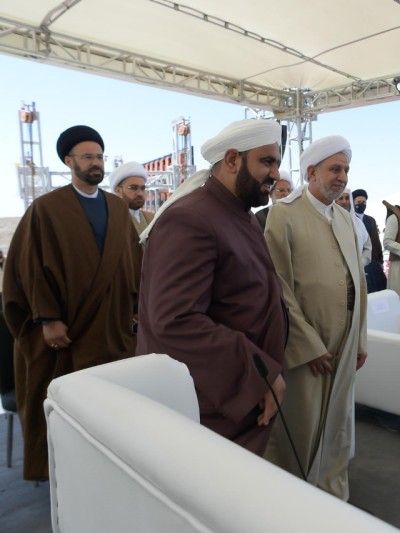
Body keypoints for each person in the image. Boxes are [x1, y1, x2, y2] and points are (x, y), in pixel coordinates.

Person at [136, 119, 287, 455]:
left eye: (276, 163)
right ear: (232, 160)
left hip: (241, 403)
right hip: (212, 405)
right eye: (267, 161)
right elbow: (176, 319)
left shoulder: (241, 214)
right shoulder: (191, 218)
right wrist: (256, 374)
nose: (275, 174)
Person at [3, 125, 140, 481]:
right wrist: (47, 318)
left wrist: (137, 305)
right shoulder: (46, 208)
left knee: (115, 412)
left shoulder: (117, 207)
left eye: (99, 157)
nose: (96, 163)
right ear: (69, 161)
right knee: (70, 414)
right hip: (67, 332)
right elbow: (30, 267)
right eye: (87, 157)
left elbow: (133, 260)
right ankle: (69, 478)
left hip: (112, 328)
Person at [264, 135, 367, 500]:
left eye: (346, 170)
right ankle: (295, 502)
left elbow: (358, 282)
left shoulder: (345, 218)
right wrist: (309, 346)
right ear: (311, 172)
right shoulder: (284, 214)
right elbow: (278, 287)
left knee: (338, 424)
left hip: (344, 341)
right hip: (307, 346)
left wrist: (360, 339)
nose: (343, 177)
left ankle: (331, 493)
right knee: (302, 425)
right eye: (335, 169)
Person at [351, 188, 387, 293]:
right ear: (353, 203)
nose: (361, 204)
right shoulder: (349, 219)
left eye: (364, 202)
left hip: (372, 262)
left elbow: (376, 242)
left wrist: (380, 261)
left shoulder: (371, 220)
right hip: (357, 263)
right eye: (358, 202)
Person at [110, 161, 154, 235]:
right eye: (133, 188)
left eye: (142, 188)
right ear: (118, 191)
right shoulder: (110, 219)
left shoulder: (151, 218)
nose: (140, 193)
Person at [336, 188, 372, 267]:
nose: (344, 202)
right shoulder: (330, 221)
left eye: (347, 198)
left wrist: (360, 264)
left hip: (357, 269)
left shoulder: (358, 223)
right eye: (340, 198)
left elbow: (367, 247)